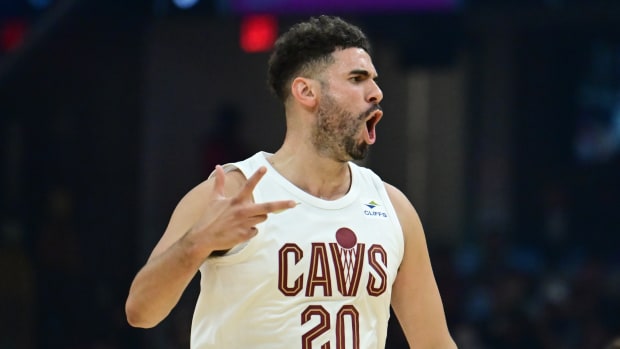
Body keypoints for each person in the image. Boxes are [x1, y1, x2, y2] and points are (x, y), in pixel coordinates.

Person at [125, 15, 457, 349]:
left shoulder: (392, 208)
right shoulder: (232, 192)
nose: (376, 92)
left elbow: (434, 342)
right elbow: (141, 312)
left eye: (373, 79)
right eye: (357, 78)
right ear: (306, 91)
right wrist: (197, 242)